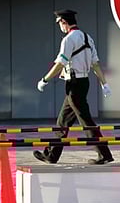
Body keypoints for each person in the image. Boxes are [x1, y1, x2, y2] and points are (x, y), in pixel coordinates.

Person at [35, 9, 114, 165]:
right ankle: (52, 155)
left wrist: (45, 79)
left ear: (63, 22)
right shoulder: (87, 38)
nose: (60, 27)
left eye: (59, 24)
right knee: (63, 121)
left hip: (74, 85)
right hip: (83, 83)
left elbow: (60, 63)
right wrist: (104, 84)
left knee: (86, 121)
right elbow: (95, 64)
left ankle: (104, 154)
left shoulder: (69, 39)